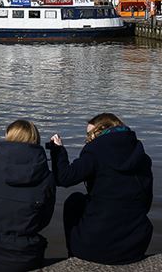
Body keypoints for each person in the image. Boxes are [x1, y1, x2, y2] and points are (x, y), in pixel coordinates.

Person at [48, 113, 153, 265]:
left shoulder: (95, 151)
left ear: (101, 131)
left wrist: (58, 150)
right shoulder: (141, 157)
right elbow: (146, 203)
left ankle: (73, 256)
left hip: (94, 249)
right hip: (135, 247)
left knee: (75, 200)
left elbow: (64, 178)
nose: (87, 139)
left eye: (90, 134)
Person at [0, 120, 55, 272]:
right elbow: (44, 219)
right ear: (36, 140)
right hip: (25, 258)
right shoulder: (47, 178)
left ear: (8, 137)